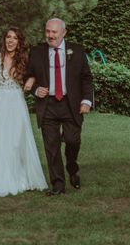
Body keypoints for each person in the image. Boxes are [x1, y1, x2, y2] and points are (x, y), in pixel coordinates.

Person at [25, 18, 93, 196]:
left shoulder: (77, 51)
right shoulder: (37, 52)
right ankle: (58, 185)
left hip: (71, 105)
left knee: (72, 140)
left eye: (54, 32)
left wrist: (87, 100)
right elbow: (28, 77)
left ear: (64, 32)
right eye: (47, 31)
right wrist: (35, 89)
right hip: (47, 106)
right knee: (51, 146)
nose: (50, 35)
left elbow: (86, 78)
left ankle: (72, 167)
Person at [0, 27, 48, 197]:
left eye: (15, 38)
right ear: (4, 39)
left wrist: (30, 80)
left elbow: (38, 72)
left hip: (16, 103)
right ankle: (0, 180)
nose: (10, 41)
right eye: (8, 37)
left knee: (16, 141)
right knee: (0, 141)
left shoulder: (25, 58)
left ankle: (20, 178)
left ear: (19, 42)